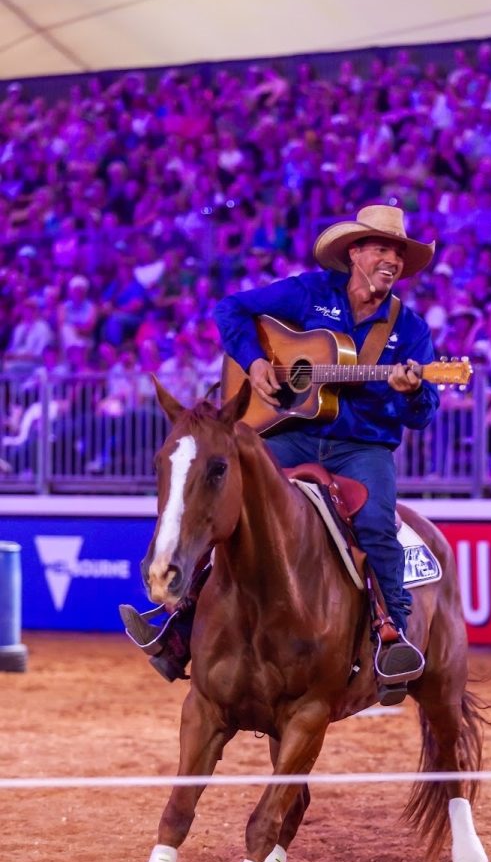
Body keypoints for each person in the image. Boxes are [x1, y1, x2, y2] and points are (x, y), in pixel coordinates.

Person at [123, 204, 439, 701]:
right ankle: (178, 624)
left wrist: (411, 389)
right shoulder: (309, 292)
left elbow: (424, 413)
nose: (391, 260)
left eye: (398, 253)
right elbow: (230, 308)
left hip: (362, 446)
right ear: (354, 253)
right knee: (230, 502)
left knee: (377, 522)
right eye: (380, 248)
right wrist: (254, 363)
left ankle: (391, 637)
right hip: (289, 431)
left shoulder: (411, 329)